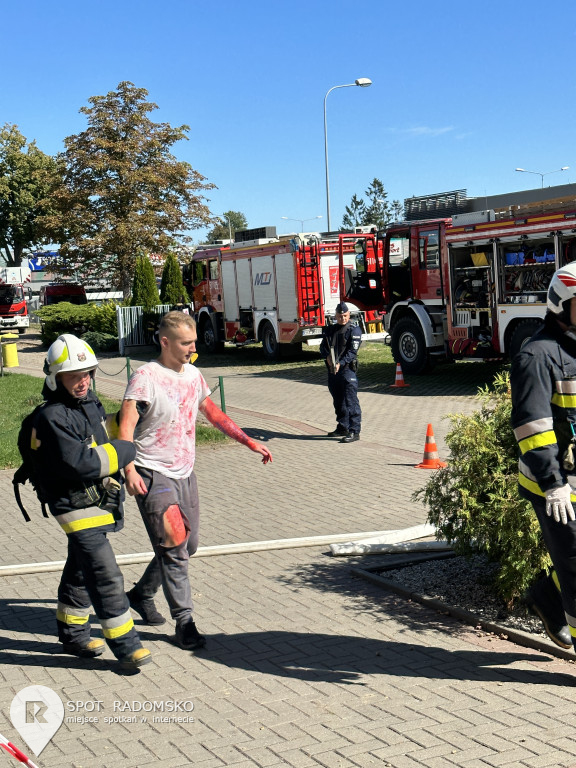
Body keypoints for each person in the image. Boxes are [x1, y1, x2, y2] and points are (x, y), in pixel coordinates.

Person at [119, 311, 272, 650]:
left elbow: (212, 411)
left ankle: (142, 593)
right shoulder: (145, 377)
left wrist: (248, 441)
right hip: (151, 471)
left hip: (185, 471)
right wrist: (128, 470)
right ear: (165, 342)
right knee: (174, 546)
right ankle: (184, 622)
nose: (192, 348)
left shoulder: (193, 375)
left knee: (189, 546)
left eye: (193, 342)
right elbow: (125, 426)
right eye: (186, 343)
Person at [34, 334, 151, 669]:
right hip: (72, 504)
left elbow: (99, 434)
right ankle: (127, 646)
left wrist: (125, 420)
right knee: (104, 574)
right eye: (74, 376)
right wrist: (127, 450)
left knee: (80, 568)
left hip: (94, 499)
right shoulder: (53, 417)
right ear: (56, 379)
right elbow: (83, 463)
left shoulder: (89, 400)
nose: (83, 380)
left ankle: (72, 634)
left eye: (87, 373)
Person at [510, 262, 576, 652]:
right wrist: (554, 486)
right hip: (553, 485)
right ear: (561, 304)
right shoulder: (536, 356)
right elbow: (532, 428)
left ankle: (546, 598)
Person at [320, 302, 362, 443]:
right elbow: (323, 347)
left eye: (345, 316)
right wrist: (327, 357)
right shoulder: (330, 330)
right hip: (333, 371)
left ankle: (354, 431)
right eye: (339, 316)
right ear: (335, 316)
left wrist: (340, 363)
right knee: (338, 401)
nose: (342, 319)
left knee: (351, 401)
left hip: (347, 371)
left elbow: (352, 352)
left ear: (348, 315)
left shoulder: (354, 330)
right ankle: (342, 427)